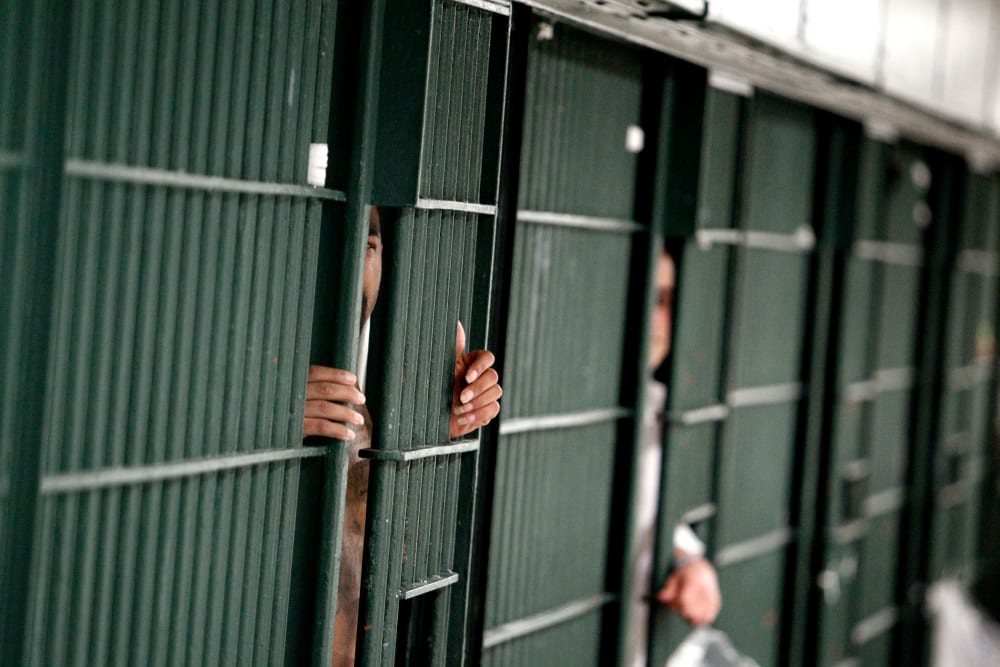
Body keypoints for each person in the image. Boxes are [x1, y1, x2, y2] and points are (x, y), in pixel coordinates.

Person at [302, 206, 502, 667]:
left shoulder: (374, 387)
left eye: (368, 245)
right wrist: (261, 420)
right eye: (333, 236)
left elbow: (387, 567)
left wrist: (433, 432)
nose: (350, 267)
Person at [628, 249, 721, 667]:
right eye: (641, 295)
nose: (652, 321)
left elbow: (656, 519)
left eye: (663, 301)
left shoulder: (667, 409)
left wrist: (689, 560)